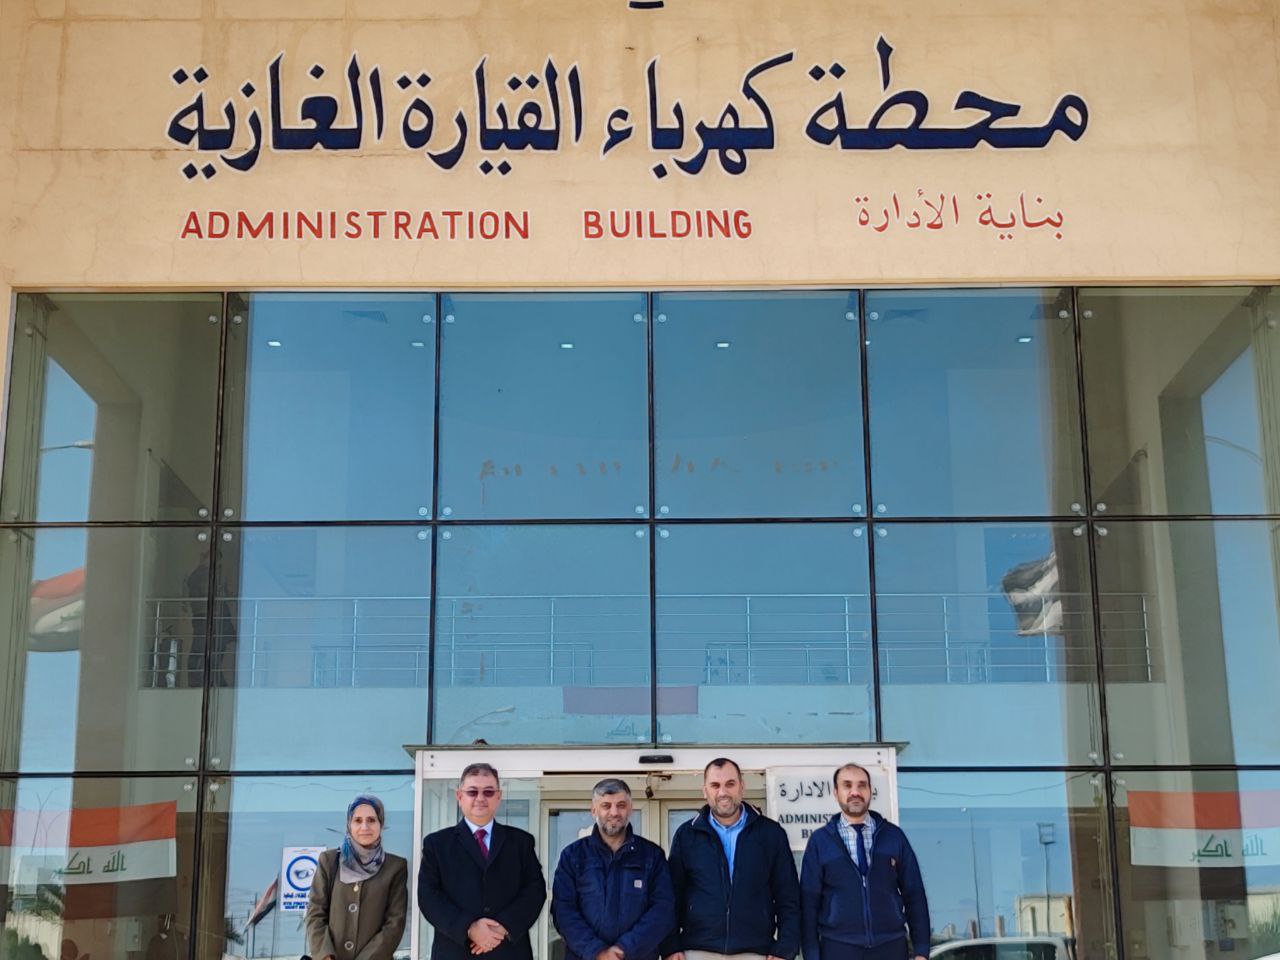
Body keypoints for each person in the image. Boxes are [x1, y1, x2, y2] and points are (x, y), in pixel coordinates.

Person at [665, 758, 800, 960]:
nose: (723, 792)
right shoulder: (687, 835)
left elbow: (788, 896)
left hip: (755, 952)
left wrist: (785, 948)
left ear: (742, 787)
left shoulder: (770, 834)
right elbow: (671, 896)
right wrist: (670, 946)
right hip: (697, 951)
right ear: (704, 791)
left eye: (730, 784)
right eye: (715, 785)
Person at [800, 764, 930, 960]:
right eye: (847, 785)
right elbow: (808, 904)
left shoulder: (894, 836)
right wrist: (811, 955)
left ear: (870, 791)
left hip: (891, 947)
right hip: (838, 948)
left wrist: (921, 950)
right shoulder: (820, 841)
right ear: (836, 792)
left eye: (862, 785)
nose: (855, 792)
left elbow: (914, 894)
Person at [419, 762, 547, 960]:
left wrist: (501, 927)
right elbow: (429, 896)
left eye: (488, 792)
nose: (480, 798)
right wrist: (469, 928)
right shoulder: (437, 844)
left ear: (498, 796)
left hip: (509, 952)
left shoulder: (521, 842)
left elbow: (535, 890)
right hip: (455, 952)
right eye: (472, 792)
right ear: (459, 796)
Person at [552, 778, 675, 960]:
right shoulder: (573, 856)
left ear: (630, 809)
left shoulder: (651, 856)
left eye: (621, 805)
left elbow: (662, 911)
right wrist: (597, 952)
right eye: (606, 806)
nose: (614, 812)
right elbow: (563, 912)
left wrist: (623, 949)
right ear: (594, 810)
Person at [305, 794, 409, 960]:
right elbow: (315, 913)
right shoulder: (329, 861)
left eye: (371, 820)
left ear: (381, 824)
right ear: (349, 824)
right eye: (358, 820)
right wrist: (325, 955)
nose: (364, 827)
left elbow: (394, 923)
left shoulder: (395, 867)